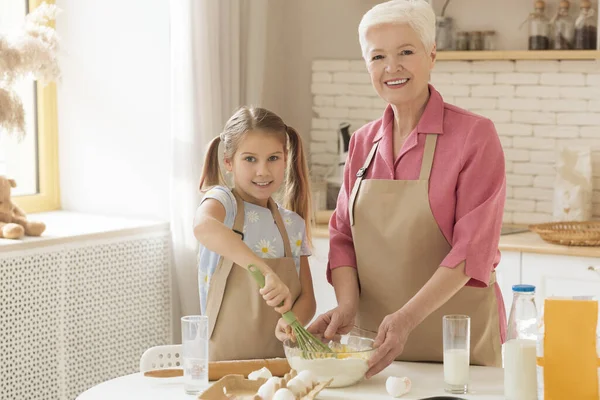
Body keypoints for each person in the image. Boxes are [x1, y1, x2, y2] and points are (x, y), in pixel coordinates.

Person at [308, 0, 507, 378]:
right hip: (376, 349)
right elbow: (342, 237)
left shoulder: (474, 136)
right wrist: (347, 308)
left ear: (432, 55)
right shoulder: (363, 143)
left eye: (406, 52)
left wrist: (406, 318)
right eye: (377, 56)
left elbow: (472, 250)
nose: (391, 67)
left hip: (458, 345)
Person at [193, 106, 316, 361]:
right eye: (250, 159)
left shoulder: (292, 224)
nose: (263, 171)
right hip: (220, 366)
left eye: (273, 158)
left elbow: (308, 298)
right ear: (228, 162)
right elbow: (203, 226)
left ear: (286, 158)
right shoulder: (223, 202)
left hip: (279, 366)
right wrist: (265, 271)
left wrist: (294, 321)